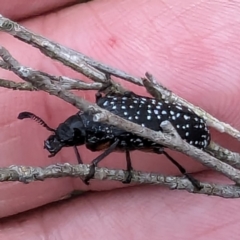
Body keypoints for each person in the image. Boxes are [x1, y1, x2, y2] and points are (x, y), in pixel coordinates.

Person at [0, 1, 238, 239]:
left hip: (189, 131)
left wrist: (94, 166)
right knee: (131, 140)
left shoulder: (103, 117)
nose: (66, 141)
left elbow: (120, 140)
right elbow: (121, 140)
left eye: (68, 139)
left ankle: (183, 171)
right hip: (180, 124)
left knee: (151, 145)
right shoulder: (102, 111)